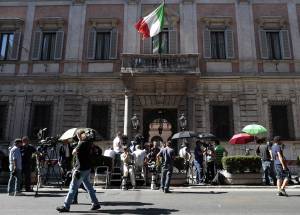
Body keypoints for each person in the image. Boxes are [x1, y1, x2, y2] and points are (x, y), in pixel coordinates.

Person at [56, 129, 101, 212]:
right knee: (89, 187)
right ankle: (96, 203)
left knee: (72, 188)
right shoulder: (89, 143)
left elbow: (73, 152)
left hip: (80, 169)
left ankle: (66, 206)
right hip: (87, 168)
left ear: (79, 136)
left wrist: (78, 144)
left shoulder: (81, 144)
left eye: (77, 136)